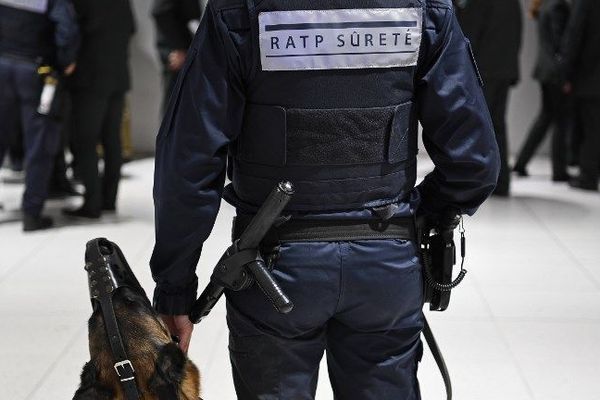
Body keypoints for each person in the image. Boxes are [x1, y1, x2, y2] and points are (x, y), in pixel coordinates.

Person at [151, 0, 500, 398]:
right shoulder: (424, 8)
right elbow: (474, 162)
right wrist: (419, 216)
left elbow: (189, 161)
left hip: (274, 268)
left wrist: (174, 287)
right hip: (385, 261)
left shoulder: (237, 10)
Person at [0, 0, 79, 231]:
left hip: (2, 65)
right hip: (35, 70)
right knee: (39, 142)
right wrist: (65, 60)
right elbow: (67, 28)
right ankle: (31, 213)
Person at [63, 0, 136, 218]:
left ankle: (92, 203)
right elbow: (131, 29)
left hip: (89, 78)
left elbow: (72, 32)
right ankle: (109, 200)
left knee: (85, 141)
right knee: (112, 140)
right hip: (118, 76)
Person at [456, 0, 523, 196]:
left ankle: (476, 183)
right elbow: (517, 34)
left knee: (475, 126)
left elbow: (471, 34)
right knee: (497, 126)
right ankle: (500, 182)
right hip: (503, 69)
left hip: (483, 69)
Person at [513, 0, 570, 181]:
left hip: (545, 70)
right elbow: (559, 42)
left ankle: (521, 162)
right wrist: (565, 73)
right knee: (559, 121)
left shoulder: (545, 6)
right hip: (555, 72)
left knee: (546, 118)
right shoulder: (557, 6)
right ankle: (559, 171)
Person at [560, 0, 600, 191]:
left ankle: (588, 176)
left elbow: (574, 36)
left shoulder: (585, 4)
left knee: (590, 128)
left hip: (590, 76)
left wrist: (565, 73)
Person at [151, 0, 202, 115]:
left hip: (187, 50)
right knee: (175, 104)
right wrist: (179, 47)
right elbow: (160, 11)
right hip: (178, 53)